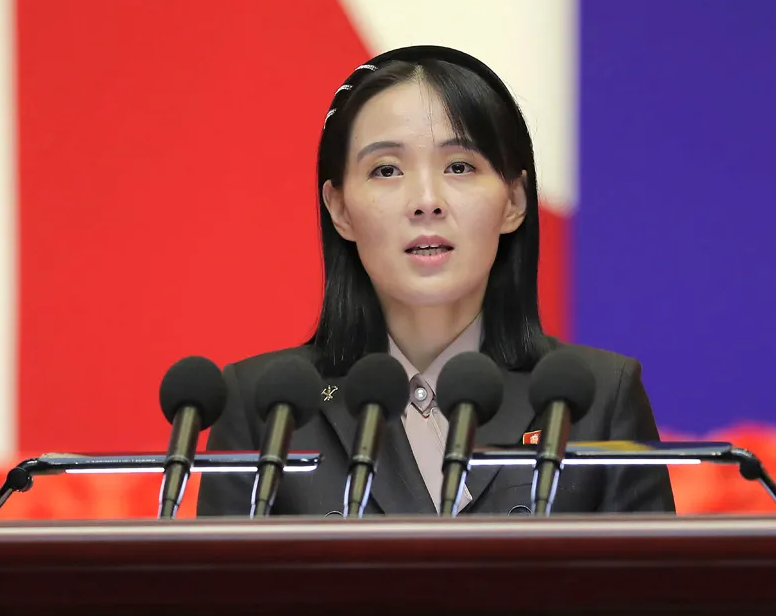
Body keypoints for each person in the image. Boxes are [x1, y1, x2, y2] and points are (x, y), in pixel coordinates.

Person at [196, 45, 675, 517]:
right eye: (386, 170)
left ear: (514, 201)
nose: (426, 201)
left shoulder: (599, 399)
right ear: (339, 208)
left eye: (459, 167)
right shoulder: (267, 408)